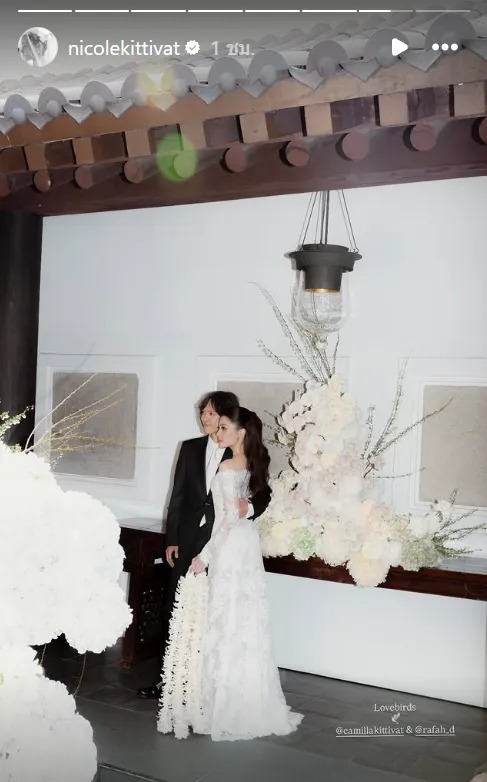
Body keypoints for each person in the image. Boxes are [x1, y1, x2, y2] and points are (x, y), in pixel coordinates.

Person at [157, 406, 303, 741]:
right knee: (244, 619)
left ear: (240, 432)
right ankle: (248, 699)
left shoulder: (227, 466)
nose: (217, 432)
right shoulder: (253, 462)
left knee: (223, 619)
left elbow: (226, 520)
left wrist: (204, 556)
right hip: (246, 545)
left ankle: (220, 701)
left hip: (227, 546)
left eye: (223, 427)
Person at [137, 391, 271, 699]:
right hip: (187, 538)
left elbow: (264, 494)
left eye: (211, 413)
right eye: (203, 412)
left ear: (227, 417)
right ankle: (168, 679)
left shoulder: (241, 451)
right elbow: (178, 495)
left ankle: (203, 682)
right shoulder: (190, 448)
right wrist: (172, 539)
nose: (204, 418)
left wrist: (248, 508)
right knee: (176, 606)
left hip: (220, 541)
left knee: (213, 612)